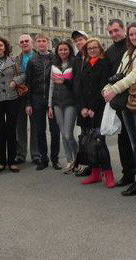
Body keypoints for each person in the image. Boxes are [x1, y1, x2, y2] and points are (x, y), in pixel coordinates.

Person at [102, 22, 136, 201]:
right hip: (127, 99)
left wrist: (114, 89)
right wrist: (106, 88)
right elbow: (120, 73)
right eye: (131, 34)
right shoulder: (128, 52)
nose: (134, 37)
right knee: (134, 143)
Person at [76, 38, 116, 188]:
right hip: (85, 111)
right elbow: (79, 88)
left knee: (99, 143)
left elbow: (103, 87)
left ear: (100, 49)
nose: (92, 50)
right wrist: (82, 108)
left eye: (94, 47)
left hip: (98, 110)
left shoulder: (104, 64)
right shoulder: (85, 64)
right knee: (88, 143)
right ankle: (95, 173)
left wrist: (93, 108)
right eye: (89, 48)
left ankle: (109, 174)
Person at [104, 19, 136, 187]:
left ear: (124, 29)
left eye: (116, 30)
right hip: (119, 99)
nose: (114, 34)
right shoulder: (109, 51)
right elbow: (108, 75)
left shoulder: (134, 45)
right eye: (111, 32)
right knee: (123, 138)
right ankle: (128, 174)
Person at [0, 36, 24, 173]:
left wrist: (15, 81)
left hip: (12, 98)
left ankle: (12, 161)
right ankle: (1, 161)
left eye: (1, 45)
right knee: (0, 130)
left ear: (5, 47)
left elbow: (23, 74)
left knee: (11, 129)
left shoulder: (13, 60)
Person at [26, 34, 61, 171]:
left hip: (54, 99)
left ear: (48, 43)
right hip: (37, 99)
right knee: (40, 131)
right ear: (35, 44)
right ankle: (43, 159)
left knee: (55, 131)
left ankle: (55, 159)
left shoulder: (55, 59)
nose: (41, 43)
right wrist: (28, 103)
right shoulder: (32, 61)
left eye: (44, 41)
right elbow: (28, 83)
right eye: (39, 41)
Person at [48, 40, 78, 173]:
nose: (63, 52)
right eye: (60, 50)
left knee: (68, 134)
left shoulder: (74, 63)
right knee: (63, 134)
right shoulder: (54, 65)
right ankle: (69, 160)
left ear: (69, 50)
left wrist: (65, 81)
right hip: (57, 102)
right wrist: (50, 105)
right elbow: (51, 86)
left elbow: (77, 83)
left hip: (70, 102)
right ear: (57, 51)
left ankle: (77, 158)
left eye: (65, 49)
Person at [14, 34, 40, 164]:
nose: (24, 43)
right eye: (22, 42)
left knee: (35, 125)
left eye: (26, 41)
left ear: (32, 43)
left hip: (35, 94)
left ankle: (36, 154)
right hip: (20, 94)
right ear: (19, 44)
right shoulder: (16, 59)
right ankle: (21, 154)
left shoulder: (38, 57)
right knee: (20, 125)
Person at [70, 30, 91, 177]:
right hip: (81, 103)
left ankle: (98, 166)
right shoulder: (77, 59)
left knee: (95, 136)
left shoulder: (95, 56)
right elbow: (76, 82)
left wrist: (91, 106)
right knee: (84, 135)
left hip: (93, 104)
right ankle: (86, 164)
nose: (78, 42)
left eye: (81, 39)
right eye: (76, 41)